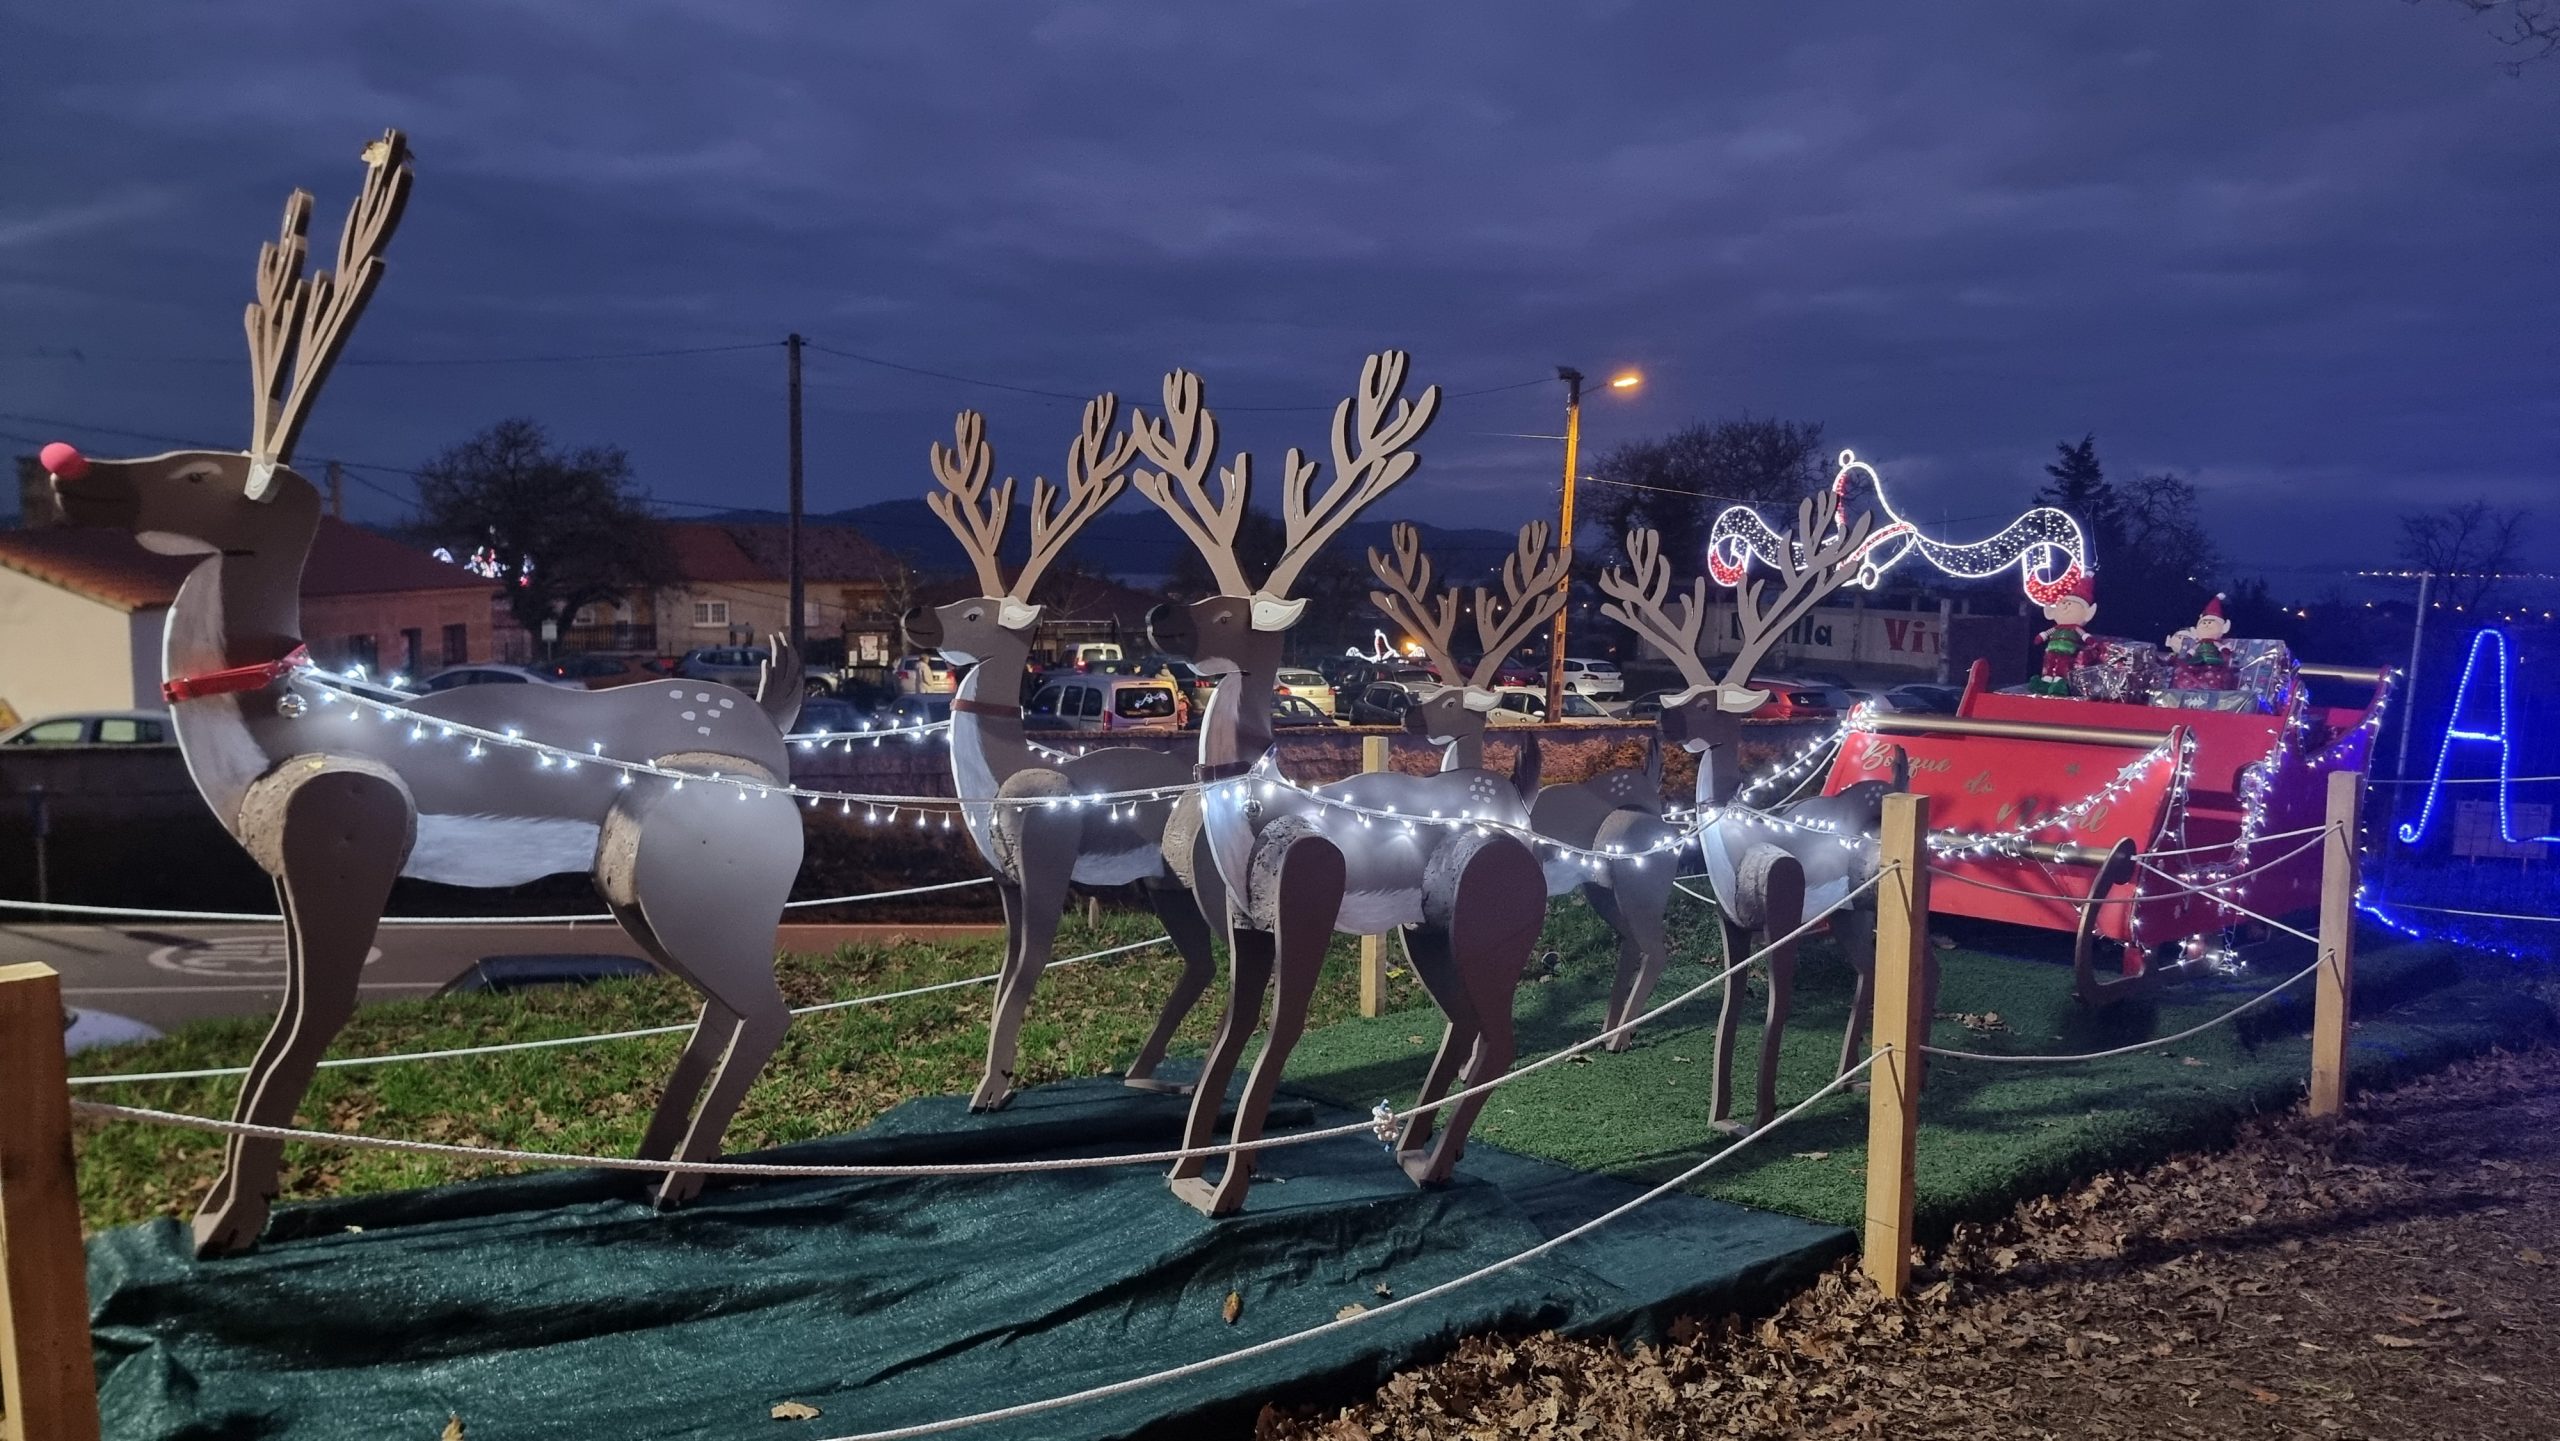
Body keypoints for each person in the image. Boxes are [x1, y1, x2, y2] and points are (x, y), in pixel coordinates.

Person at [2030, 574, 2097, 697]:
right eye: (2064, 602)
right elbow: (2047, 633)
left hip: (2067, 650)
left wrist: (2089, 639)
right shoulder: (2056, 627)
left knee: (2062, 665)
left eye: (2070, 604)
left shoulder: (2075, 628)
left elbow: (2083, 635)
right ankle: (2045, 682)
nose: (2066, 606)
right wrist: (2041, 637)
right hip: (2052, 648)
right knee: (2049, 664)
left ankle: (2059, 682)